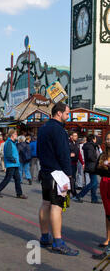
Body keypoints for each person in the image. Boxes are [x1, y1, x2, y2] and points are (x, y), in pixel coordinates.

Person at [37, 102, 79, 256]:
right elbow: (63, 154)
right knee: (57, 206)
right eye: (67, 113)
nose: (68, 117)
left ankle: (44, 236)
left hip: (46, 172)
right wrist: (69, 174)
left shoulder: (43, 128)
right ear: (59, 113)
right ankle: (58, 242)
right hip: (57, 174)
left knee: (45, 204)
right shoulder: (59, 130)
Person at [0, 129, 28, 199]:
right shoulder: (9, 142)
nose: (17, 135)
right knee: (7, 179)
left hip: (14, 164)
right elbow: (8, 154)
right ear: (12, 135)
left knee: (17, 179)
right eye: (15, 134)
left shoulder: (12, 142)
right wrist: (13, 160)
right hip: (11, 164)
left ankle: (19, 194)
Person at [92, 132, 110, 260]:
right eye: (107, 139)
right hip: (104, 183)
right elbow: (96, 170)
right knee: (107, 213)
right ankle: (108, 238)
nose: (108, 141)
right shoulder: (103, 153)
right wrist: (104, 166)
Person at [75, 134, 102, 204]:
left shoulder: (90, 145)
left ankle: (94, 198)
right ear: (93, 139)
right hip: (91, 166)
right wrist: (96, 160)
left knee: (95, 183)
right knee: (94, 183)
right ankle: (79, 195)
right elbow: (90, 156)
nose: (96, 139)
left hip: (91, 166)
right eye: (95, 138)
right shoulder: (90, 146)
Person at [69, 132, 84, 202]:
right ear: (71, 136)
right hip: (69, 164)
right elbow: (62, 152)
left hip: (74, 164)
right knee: (72, 180)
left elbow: (79, 154)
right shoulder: (67, 143)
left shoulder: (76, 144)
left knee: (72, 179)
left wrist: (82, 163)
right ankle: (74, 195)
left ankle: (68, 194)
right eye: (75, 136)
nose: (76, 137)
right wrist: (69, 154)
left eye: (77, 136)